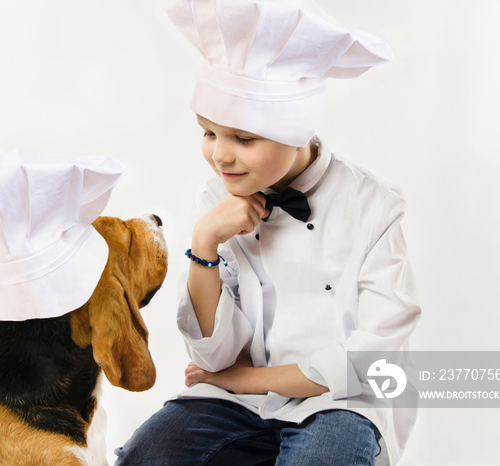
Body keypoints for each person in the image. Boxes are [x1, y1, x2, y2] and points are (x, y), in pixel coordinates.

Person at [115, 0, 420, 464]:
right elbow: (215, 359)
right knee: (147, 455)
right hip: (234, 402)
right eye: (209, 133)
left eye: (243, 138)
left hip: (341, 402)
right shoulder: (215, 199)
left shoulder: (374, 209)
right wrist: (205, 243)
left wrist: (248, 379)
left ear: (296, 132)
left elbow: (371, 361)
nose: (220, 156)